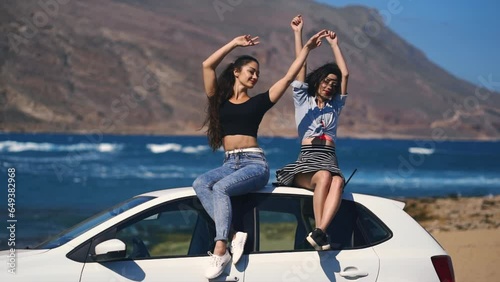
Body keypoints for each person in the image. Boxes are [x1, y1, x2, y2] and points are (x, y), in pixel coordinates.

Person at [193, 30, 328, 279]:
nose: (255, 76)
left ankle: (221, 247)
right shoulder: (218, 102)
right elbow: (207, 65)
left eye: (258, 74)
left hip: (254, 165)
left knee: (221, 189)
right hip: (229, 163)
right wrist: (233, 42)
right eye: (250, 71)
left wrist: (307, 48)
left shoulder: (259, 102)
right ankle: (235, 235)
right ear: (236, 71)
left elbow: (288, 77)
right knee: (201, 183)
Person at [276, 15, 350, 251]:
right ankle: (319, 232)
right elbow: (301, 66)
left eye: (334, 84)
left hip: (330, 159)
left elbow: (345, 74)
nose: (330, 85)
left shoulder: (335, 106)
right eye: (327, 81)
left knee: (337, 181)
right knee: (325, 178)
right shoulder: (303, 100)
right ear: (318, 81)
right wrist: (298, 34)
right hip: (308, 160)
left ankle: (319, 232)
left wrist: (335, 46)